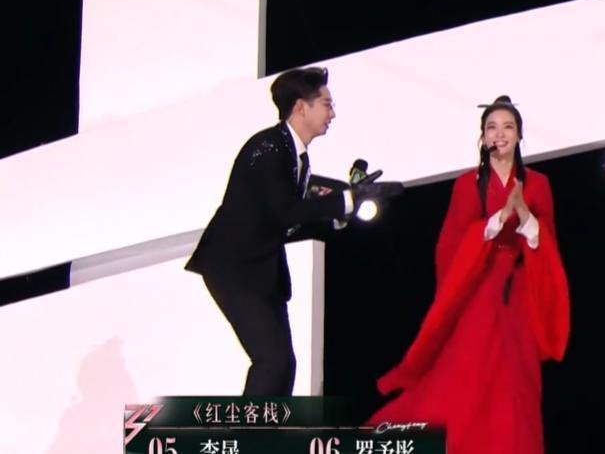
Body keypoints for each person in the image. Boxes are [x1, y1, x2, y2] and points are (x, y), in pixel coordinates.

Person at [186, 67, 403, 395]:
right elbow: (285, 211)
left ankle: (271, 425)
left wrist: (345, 203)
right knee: (272, 361)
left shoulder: (293, 154)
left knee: (283, 364)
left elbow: (297, 211)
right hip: (234, 268)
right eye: (327, 104)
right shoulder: (269, 147)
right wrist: (346, 200)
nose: (332, 113)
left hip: (261, 271)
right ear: (301, 107)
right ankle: (252, 428)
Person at [371, 95, 570, 454]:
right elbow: (450, 246)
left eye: (508, 127)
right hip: (478, 291)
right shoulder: (467, 184)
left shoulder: (538, 183)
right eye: (492, 127)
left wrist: (525, 215)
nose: (500, 134)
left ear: (519, 135)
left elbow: (548, 244)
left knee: (518, 382)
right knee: (466, 378)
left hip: (518, 295)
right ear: (483, 136)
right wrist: (496, 220)